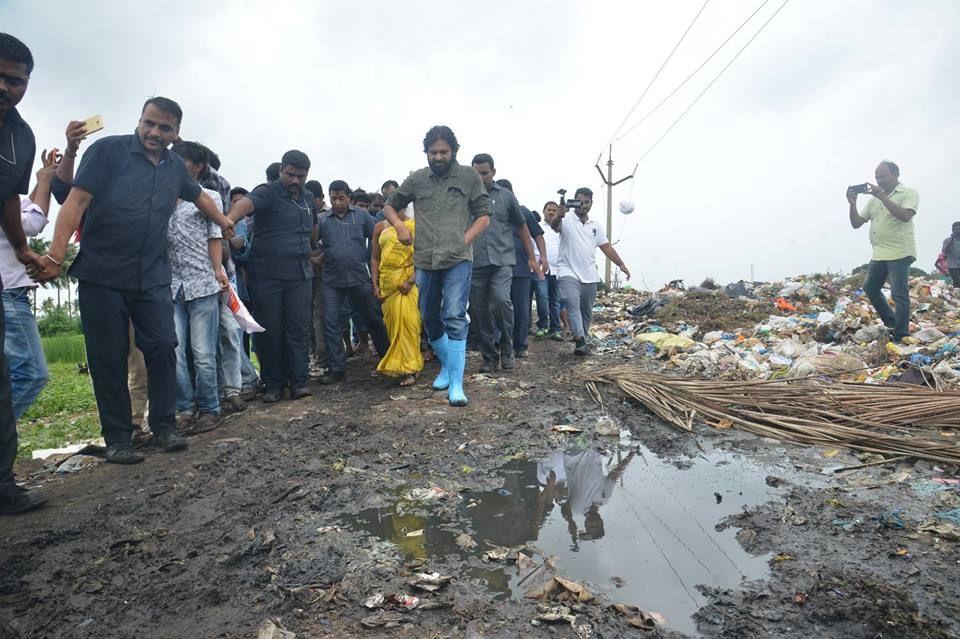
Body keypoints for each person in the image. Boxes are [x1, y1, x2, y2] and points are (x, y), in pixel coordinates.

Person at [31, 96, 235, 464]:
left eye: (164, 127)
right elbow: (75, 202)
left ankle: (164, 425)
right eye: (149, 123)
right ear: (140, 120)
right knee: (108, 357)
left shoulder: (175, 168)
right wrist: (55, 256)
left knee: (162, 346)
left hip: (152, 276)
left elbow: (199, 197)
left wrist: (223, 222)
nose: (154, 132)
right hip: (102, 274)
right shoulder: (108, 152)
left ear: (176, 133)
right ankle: (118, 439)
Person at [383, 125, 492, 406]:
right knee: (429, 317)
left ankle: (456, 383)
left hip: (457, 259)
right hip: (425, 259)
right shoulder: (417, 180)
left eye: (443, 152)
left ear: (453, 151)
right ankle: (446, 366)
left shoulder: (468, 176)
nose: (438, 157)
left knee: (454, 314)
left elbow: (483, 215)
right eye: (433, 152)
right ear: (426, 154)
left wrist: (465, 239)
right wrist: (399, 227)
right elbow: (390, 206)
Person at [0, 33, 48, 514]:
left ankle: (3, 483)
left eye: (15, 81)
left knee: (18, 376)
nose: (5, 88)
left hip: (7, 280)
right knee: (28, 372)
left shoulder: (19, 136)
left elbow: (14, 205)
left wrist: (20, 249)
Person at [226, 150, 314, 402]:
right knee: (269, 330)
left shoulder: (307, 197)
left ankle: (299, 382)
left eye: (300, 176)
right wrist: (229, 221)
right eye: (290, 175)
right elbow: (245, 205)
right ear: (281, 171)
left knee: (298, 328)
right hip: (268, 276)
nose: (295, 180)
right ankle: (274, 384)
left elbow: (312, 229)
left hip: (300, 275)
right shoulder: (268, 192)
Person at [168, 141, 230, 431]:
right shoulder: (162, 195)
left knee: (203, 352)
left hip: (203, 282)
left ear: (196, 166)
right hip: (170, 286)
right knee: (176, 351)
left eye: (179, 160)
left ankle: (210, 408)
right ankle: (184, 408)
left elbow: (214, 235)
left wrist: (217, 271)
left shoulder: (210, 197)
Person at [468, 155, 538, 373]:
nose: (480, 177)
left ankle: (507, 347)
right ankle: (489, 356)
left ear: (493, 172)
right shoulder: (465, 198)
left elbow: (522, 226)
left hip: (502, 261)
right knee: (478, 311)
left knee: (500, 300)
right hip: (474, 262)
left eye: (484, 173)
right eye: (476, 173)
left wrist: (532, 257)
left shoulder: (506, 196)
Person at [315, 180, 389, 384]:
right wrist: (317, 258)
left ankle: (388, 359)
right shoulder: (323, 220)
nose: (337, 202)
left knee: (373, 318)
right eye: (333, 198)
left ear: (349, 197)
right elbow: (313, 242)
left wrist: (378, 265)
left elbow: (377, 239)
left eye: (341, 198)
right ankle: (336, 369)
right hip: (332, 280)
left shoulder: (362, 216)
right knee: (331, 322)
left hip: (359, 277)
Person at [4, 153, 56, 420]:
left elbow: (24, 207)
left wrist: (40, 179)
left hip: (10, 293)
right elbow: (33, 223)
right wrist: (46, 181)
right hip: (9, 293)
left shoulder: (9, 197)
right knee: (32, 372)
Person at [550, 187, 630, 356]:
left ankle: (583, 338)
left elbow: (606, 247)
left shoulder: (596, 226)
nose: (583, 206)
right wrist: (558, 215)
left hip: (589, 275)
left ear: (591, 203)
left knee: (586, 311)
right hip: (567, 271)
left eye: (587, 202)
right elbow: (555, 226)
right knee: (572, 305)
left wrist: (621, 264)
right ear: (574, 201)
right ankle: (579, 338)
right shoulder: (567, 219)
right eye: (580, 202)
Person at [847, 161, 919, 342]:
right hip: (879, 253)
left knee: (899, 294)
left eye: (883, 176)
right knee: (870, 288)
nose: (879, 180)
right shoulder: (873, 200)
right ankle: (892, 323)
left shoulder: (908, 193)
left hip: (900, 252)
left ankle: (901, 334)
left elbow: (904, 216)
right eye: (877, 177)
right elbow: (856, 223)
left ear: (896, 175)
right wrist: (852, 204)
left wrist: (883, 198)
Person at [371, 205, 422, 385]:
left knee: (409, 323)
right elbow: (375, 258)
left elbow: (423, 256)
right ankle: (397, 366)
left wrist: (411, 281)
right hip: (387, 284)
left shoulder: (416, 225)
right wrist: (375, 284)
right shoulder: (380, 227)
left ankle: (410, 369)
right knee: (392, 326)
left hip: (408, 282)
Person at [539, 201, 564, 340]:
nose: (552, 212)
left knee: (555, 300)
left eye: (554, 210)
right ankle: (542, 326)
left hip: (558, 269)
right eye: (549, 210)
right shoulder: (537, 227)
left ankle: (555, 329)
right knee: (542, 297)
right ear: (544, 211)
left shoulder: (561, 228)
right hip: (541, 269)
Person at [942, 223, 960, 287]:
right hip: (953, 265)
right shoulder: (947, 240)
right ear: (953, 230)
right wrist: (952, 239)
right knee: (957, 281)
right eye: (956, 229)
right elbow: (945, 251)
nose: (958, 230)